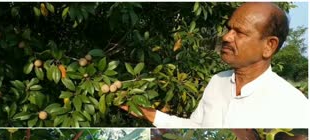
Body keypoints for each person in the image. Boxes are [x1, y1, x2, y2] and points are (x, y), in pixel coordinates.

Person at [122, 2, 309, 128]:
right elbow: (196, 127)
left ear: (269, 46)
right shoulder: (217, 81)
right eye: (229, 29)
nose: (226, 37)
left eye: (240, 33)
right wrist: (150, 114)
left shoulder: (293, 106)